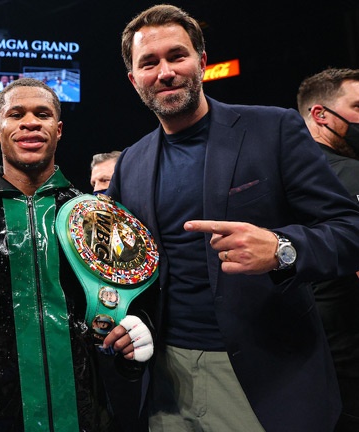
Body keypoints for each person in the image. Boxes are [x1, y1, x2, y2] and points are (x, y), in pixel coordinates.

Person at [108, 4, 359, 432]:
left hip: (264, 375)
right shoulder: (130, 163)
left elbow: (349, 230)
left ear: (202, 62)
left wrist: (282, 249)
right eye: (149, 63)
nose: (165, 71)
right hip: (165, 379)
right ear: (135, 80)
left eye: (177, 56)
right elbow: (122, 271)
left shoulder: (273, 130)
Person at [0, 78, 157, 431]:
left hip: (84, 413)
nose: (30, 122)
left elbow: (125, 308)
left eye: (43, 114)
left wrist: (139, 333)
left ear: (59, 128)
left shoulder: (91, 215)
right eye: (16, 114)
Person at [297, 68, 359, 431]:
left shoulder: (270, 177)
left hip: (292, 370)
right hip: (346, 366)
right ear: (320, 114)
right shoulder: (350, 174)